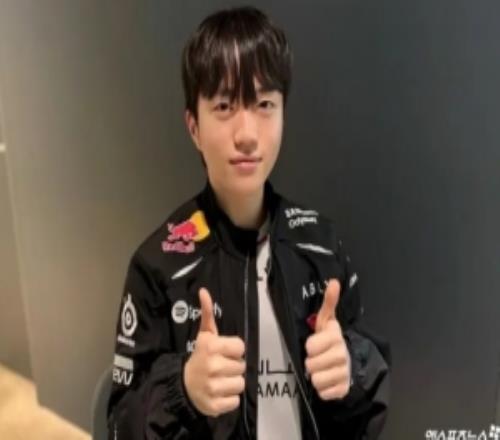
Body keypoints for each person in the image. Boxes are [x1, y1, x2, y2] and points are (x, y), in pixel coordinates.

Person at [106, 5, 391, 439]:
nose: (247, 134)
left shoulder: (322, 247)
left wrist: (351, 370)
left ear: (283, 114)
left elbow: (367, 414)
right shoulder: (158, 267)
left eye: (264, 104)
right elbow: (118, 424)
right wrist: (183, 389)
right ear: (193, 127)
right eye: (224, 105)